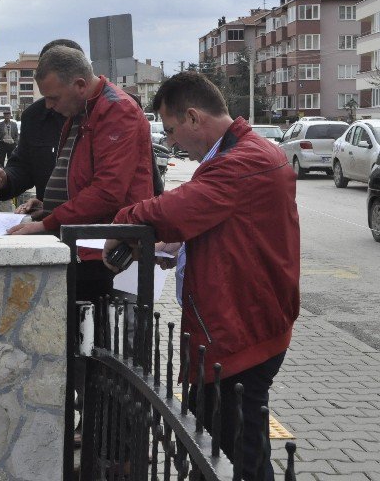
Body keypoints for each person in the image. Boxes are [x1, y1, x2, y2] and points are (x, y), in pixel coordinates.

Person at [104, 72, 299, 481]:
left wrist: (124, 221)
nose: (172, 142)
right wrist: (178, 250)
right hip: (244, 324)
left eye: (171, 130)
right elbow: (233, 229)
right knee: (221, 440)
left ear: (193, 117)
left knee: (234, 456)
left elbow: (174, 209)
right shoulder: (244, 153)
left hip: (240, 333)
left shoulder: (240, 163)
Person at [7, 46, 154, 304]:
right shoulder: (82, 109)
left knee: (90, 322)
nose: (49, 106)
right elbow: (79, 177)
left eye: (54, 97)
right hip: (84, 240)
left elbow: (107, 191)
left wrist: (47, 223)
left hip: (103, 248)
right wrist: (50, 208)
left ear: (80, 85)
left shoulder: (117, 110)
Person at [0, 39, 83, 205]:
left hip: (95, 219)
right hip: (49, 219)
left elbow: (109, 186)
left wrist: (57, 212)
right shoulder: (34, 116)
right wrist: (4, 179)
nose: (49, 105)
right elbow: (24, 167)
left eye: (55, 96)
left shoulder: (104, 112)